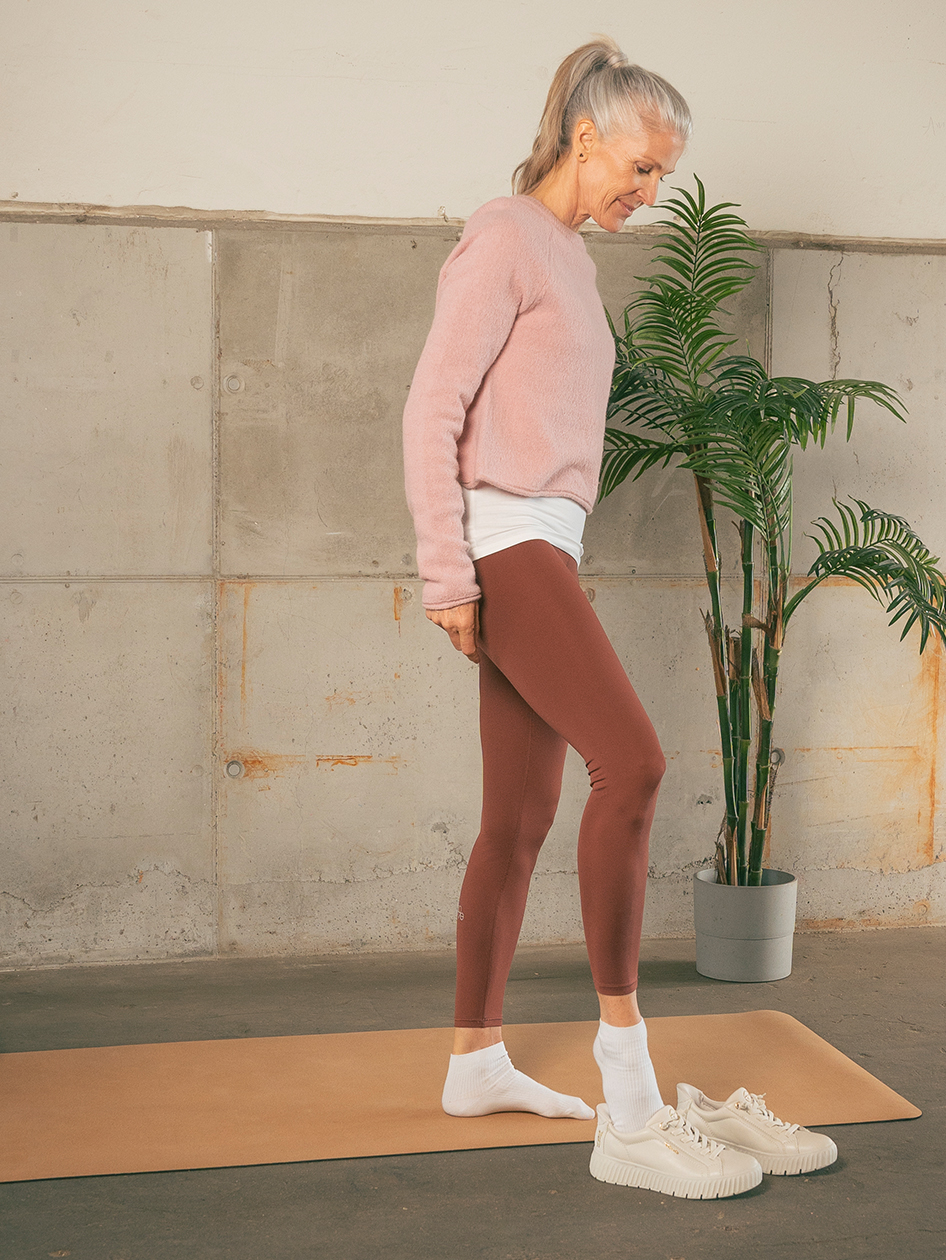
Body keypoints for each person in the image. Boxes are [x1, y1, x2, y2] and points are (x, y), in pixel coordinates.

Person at [402, 36, 836, 1197]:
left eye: (661, 183)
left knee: (518, 817)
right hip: (506, 545)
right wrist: (448, 574)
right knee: (633, 766)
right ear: (584, 135)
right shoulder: (504, 235)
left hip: (540, 545)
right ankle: (629, 1087)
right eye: (637, 170)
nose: (647, 197)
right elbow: (431, 406)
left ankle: (475, 1059)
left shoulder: (564, 257)